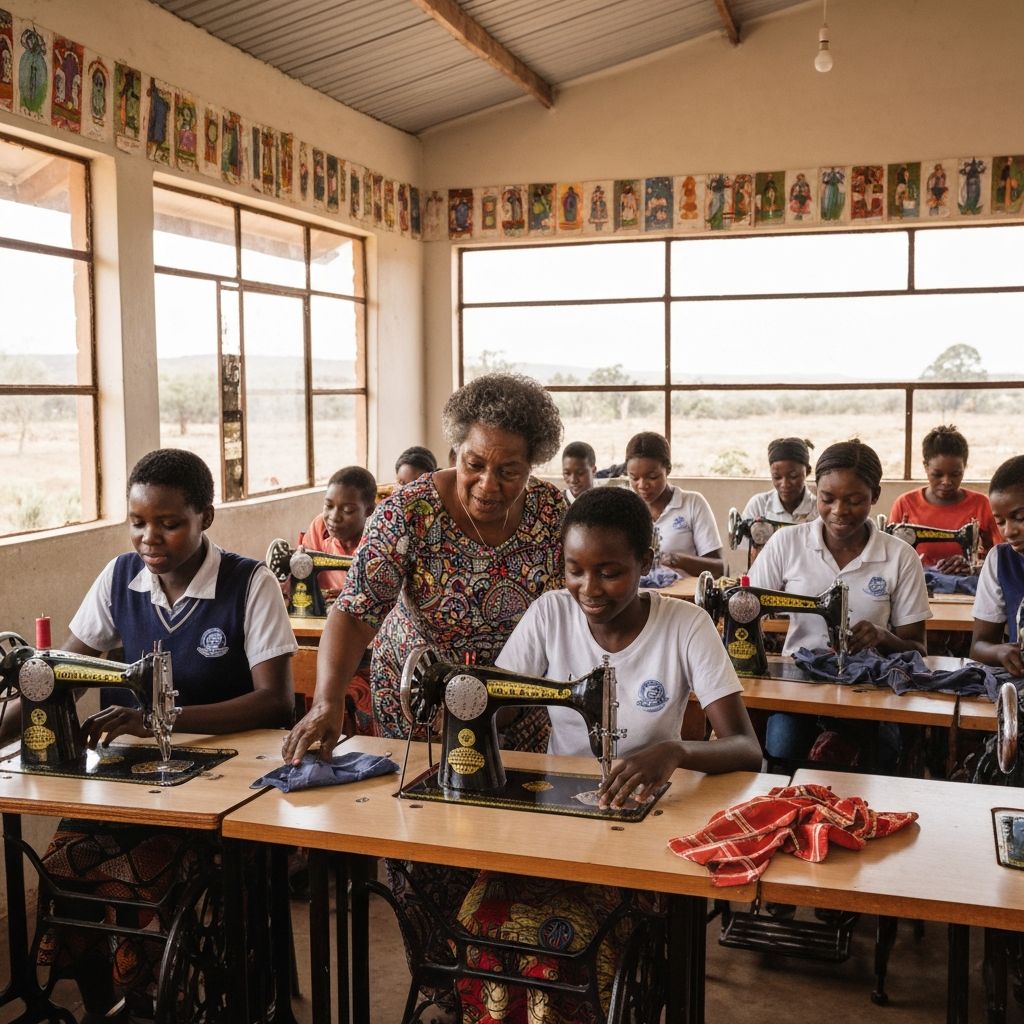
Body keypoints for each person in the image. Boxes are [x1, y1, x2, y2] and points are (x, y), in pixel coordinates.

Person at [455, 487, 761, 1022]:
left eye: (609, 572)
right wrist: (467, 705)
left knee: (574, 943)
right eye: (574, 569)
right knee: (479, 918)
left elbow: (746, 748)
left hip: (645, 834)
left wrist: (675, 751)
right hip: (556, 827)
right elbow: (495, 705)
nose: (587, 588)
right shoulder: (551, 613)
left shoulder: (685, 626)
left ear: (646, 562)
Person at [40, 448, 295, 1022]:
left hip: (224, 783)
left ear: (206, 516)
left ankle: (150, 1002)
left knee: (136, 879)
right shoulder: (120, 578)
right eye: (137, 523)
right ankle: (111, 1009)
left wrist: (162, 720)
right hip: (132, 781)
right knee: (59, 870)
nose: (149, 538)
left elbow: (276, 700)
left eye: (169, 522)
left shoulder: (249, 583)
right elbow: (64, 675)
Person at [283, 372, 566, 754]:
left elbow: (573, 608)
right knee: (419, 805)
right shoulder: (409, 512)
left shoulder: (549, 512)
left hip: (516, 704)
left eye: (509, 471)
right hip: (418, 703)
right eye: (474, 464)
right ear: (456, 451)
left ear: (533, 464)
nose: (487, 484)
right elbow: (354, 612)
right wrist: (327, 700)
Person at [749, 440, 930, 768]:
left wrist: (881, 636)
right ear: (815, 491)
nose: (839, 511)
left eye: (854, 500)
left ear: (875, 496)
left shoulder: (900, 557)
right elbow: (746, 604)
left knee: (876, 759)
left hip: (871, 691)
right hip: (796, 688)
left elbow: (917, 646)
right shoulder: (786, 543)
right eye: (827, 498)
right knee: (782, 751)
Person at [889, 424, 1001, 573]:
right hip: (917, 582)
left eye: (955, 474)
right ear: (925, 467)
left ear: (964, 467)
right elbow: (892, 555)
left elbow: (1001, 555)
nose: (946, 481)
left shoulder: (981, 504)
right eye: (937, 474)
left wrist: (975, 565)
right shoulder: (905, 504)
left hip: (969, 587)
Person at [625, 431, 724, 578]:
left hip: (683, 597)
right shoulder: (625, 507)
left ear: (668, 469)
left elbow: (718, 568)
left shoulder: (692, 504)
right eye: (634, 478)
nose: (642, 485)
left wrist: (678, 560)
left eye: (652, 477)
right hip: (637, 597)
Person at [971, 455, 1024, 677]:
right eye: (1000, 522)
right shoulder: (1000, 561)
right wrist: (1000, 652)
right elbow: (979, 646)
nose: (1008, 531)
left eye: (1020, 517)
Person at [300, 466, 376, 594]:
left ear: (369, 511)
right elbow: (302, 571)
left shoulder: (381, 540)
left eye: (347, 510)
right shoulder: (320, 527)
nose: (334, 517)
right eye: (328, 506)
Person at [742, 436, 818, 524]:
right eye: (777, 477)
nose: (785, 484)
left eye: (793, 476)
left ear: (807, 471)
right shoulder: (759, 506)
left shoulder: (818, 510)